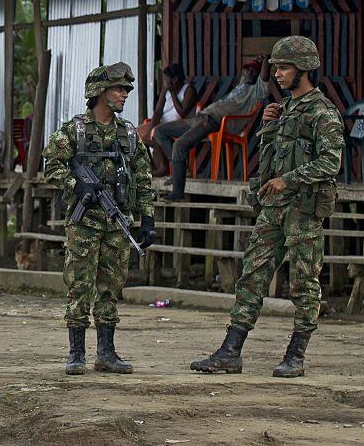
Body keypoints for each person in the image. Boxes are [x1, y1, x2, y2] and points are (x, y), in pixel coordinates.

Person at [189, 36, 343, 378]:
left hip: (303, 210)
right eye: (276, 67)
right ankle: (230, 351)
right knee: (252, 275)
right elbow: (272, 159)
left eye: (284, 67)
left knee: (303, 283)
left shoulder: (322, 112)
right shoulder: (285, 109)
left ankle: (296, 354)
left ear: (303, 70)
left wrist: (288, 180)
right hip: (274, 208)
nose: (277, 74)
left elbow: (330, 162)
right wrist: (269, 127)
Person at [42, 62, 156, 375]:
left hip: (117, 223)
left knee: (111, 287)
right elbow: (51, 165)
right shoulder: (75, 130)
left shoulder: (129, 134)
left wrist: (148, 218)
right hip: (84, 223)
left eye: (126, 90)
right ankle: (76, 353)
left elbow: (144, 178)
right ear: (99, 92)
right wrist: (76, 184)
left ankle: (106, 352)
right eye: (118, 89)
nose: (124, 94)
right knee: (79, 286)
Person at [156, 55, 271, 200]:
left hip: (213, 122)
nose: (248, 72)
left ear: (257, 74)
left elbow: (265, 77)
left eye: (253, 71)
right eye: (246, 69)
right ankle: (178, 170)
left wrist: (266, 60)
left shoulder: (256, 91)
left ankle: (178, 193)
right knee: (160, 131)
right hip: (200, 118)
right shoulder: (243, 84)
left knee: (179, 145)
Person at [140, 64, 196, 176]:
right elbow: (157, 112)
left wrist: (173, 93)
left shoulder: (189, 90)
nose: (164, 82)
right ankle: (154, 168)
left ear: (174, 79)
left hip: (181, 125)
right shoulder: (166, 90)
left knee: (157, 132)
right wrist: (148, 129)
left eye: (166, 79)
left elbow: (182, 112)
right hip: (163, 123)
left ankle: (170, 167)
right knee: (136, 135)